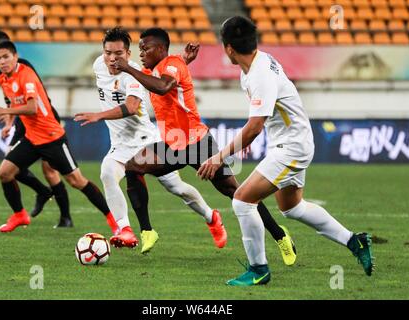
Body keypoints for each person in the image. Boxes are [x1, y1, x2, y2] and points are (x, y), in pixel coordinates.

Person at [197, 16, 374, 286]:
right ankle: (354, 241)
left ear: (228, 48)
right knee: (292, 208)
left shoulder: (259, 75)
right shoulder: (257, 64)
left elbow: (255, 127)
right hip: (294, 141)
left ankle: (259, 269)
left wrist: (219, 156)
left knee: (242, 201)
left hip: (291, 146)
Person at [112, 27, 297, 266]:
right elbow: (161, 75)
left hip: (198, 144)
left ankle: (280, 236)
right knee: (134, 168)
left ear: (160, 48)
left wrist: (127, 67)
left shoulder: (171, 66)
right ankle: (148, 231)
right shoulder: (162, 67)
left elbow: (164, 86)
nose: (141, 53)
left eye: (145, 48)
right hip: (173, 145)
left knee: (237, 193)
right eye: (140, 49)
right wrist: (182, 59)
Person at [74, 27, 225, 253]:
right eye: (108, 53)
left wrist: (99, 115)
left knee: (177, 188)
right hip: (119, 144)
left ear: (128, 54)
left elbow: (132, 106)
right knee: (107, 172)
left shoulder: (132, 74)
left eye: (119, 54)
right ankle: (125, 230)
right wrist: (183, 59)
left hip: (145, 140)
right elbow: (163, 71)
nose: (112, 59)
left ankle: (211, 216)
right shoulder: (98, 65)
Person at [0, 39, 119, 235]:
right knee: (5, 173)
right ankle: (19, 215)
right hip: (32, 138)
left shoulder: (27, 76)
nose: (2, 61)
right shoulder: (3, 78)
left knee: (76, 181)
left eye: (6, 56)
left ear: (15, 56)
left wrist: (5, 110)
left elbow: (32, 108)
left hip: (51, 137)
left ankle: (113, 220)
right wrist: (9, 122)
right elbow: (14, 103)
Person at [0, 30, 72, 228]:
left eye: (1, 50)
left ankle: (65, 217)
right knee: (10, 166)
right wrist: (8, 123)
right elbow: (10, 100)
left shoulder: (23, 66)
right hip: (23, 121)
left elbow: (31, 101)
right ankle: (42, 191)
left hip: (44, 118)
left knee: (50, 170)